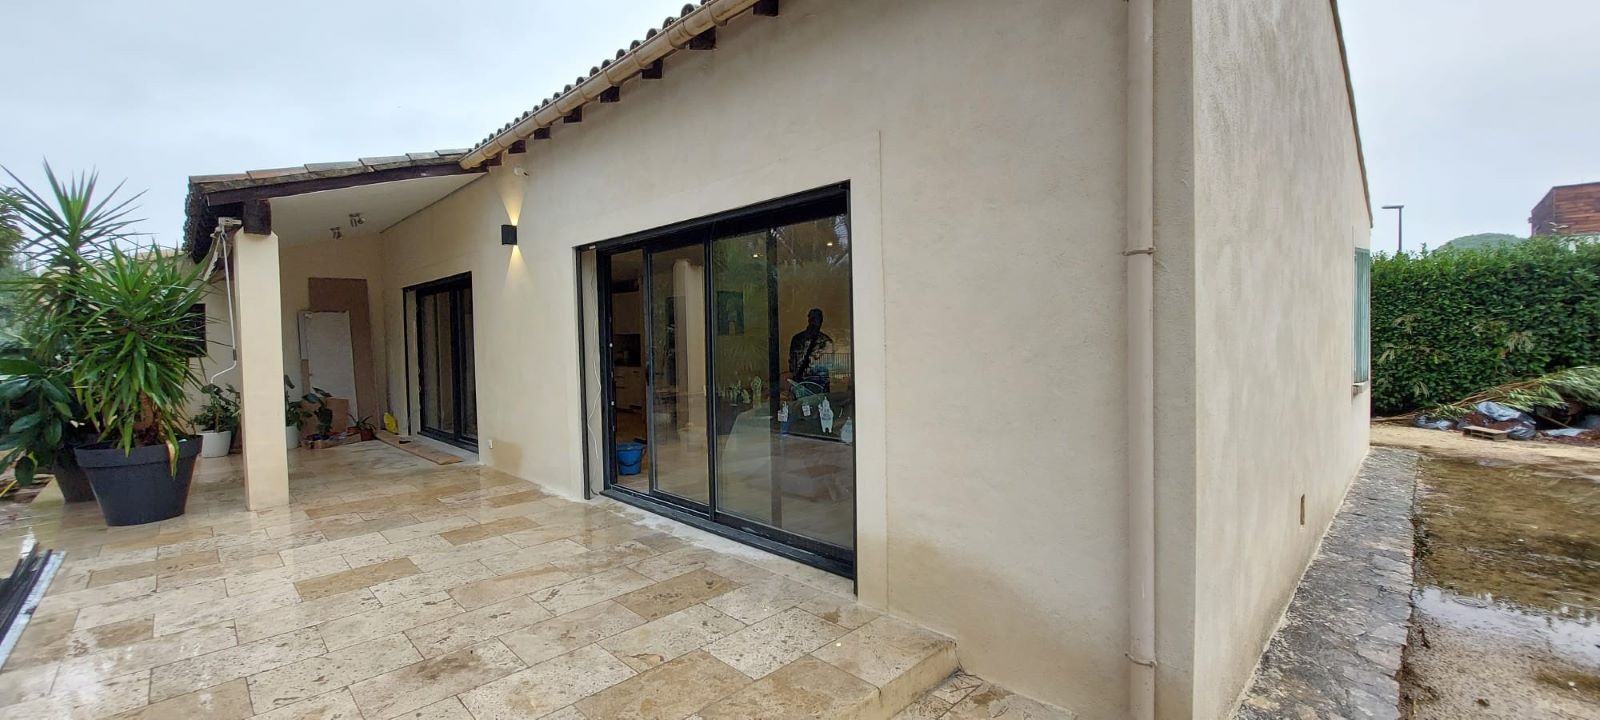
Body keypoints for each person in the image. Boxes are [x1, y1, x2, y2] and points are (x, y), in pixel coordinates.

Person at [788, 308, 833, 392]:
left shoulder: (826, 341)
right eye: (813, 319)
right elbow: (792, 363)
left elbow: (827, 367)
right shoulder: (797, 339)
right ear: (809, 320)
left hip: (819, 385)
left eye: (818, 320)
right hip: (801, 384)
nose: (815, 323)